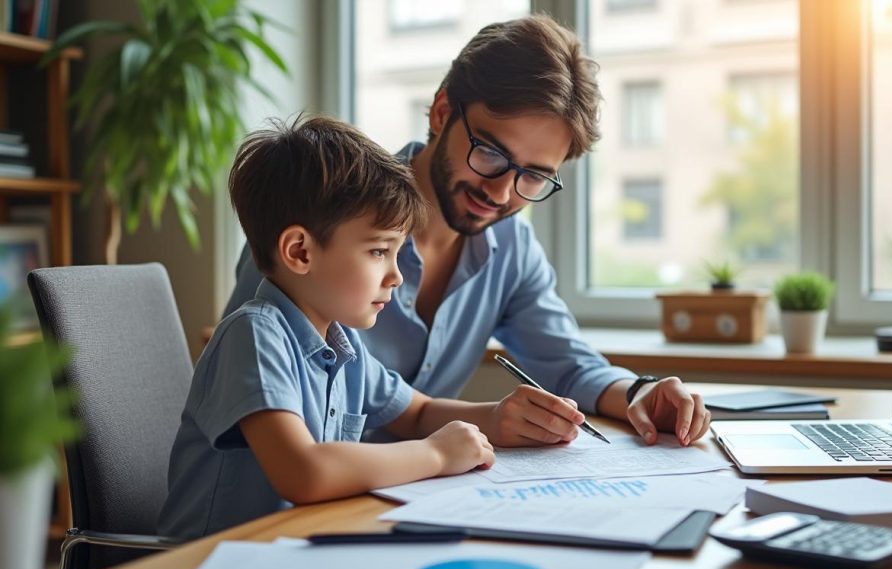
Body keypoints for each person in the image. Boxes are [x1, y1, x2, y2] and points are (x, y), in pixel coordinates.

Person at [224, 15, 711, 449]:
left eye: (535, 176)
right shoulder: (317, 218)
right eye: (493, 154)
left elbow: (567, 363)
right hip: (283, 515)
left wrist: (640, 392)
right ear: (441, 114)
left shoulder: (512, 250)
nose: (501, 192)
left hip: (404, 499)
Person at [159, 117, 587, 541]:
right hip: (209, 567)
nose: (397, 276)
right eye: (379, 251)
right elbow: (304, 473)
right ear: (299, 251)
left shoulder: (343, 347)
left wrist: (496, 418)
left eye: (398, 253)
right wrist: (436, 454)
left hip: (295, 552)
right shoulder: (254, 337)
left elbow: (416, 413)